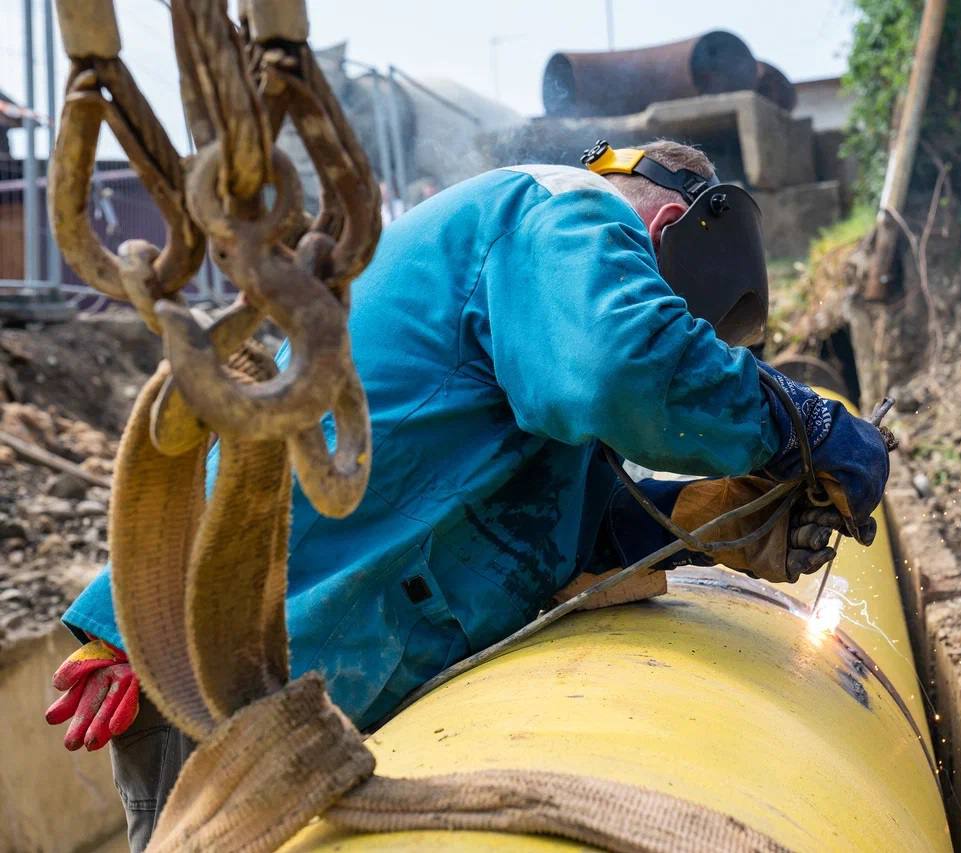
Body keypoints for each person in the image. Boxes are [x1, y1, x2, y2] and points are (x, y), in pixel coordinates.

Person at [45, 139, 890, 850]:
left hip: (283, 671)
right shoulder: (562, 210)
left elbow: (551, 523)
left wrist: (709, 525)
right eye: (667, 310)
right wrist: (803, 423)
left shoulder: (524, 327)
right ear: (664, 226)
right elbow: (629, 367)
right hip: (211, 654)